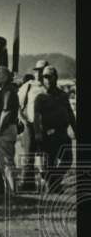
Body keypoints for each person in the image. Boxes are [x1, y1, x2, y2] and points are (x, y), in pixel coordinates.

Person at [33, 65, 77, 193]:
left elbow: (70, 113)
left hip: (62, 133)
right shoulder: (40, 97)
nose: (46, 79)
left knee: (67, 159)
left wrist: (76, 129)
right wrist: (37, 133)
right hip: (48, 134)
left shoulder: (63, 95)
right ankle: (54, 186)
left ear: (55, 77)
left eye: (48, 76)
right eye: (44, 77)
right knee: (50, 163)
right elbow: (36, 117)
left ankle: (53, 182)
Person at [17, 60, 48, 190]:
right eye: (38, 71)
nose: (39, 74)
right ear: (34, 72)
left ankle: (48, 183)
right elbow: (18, 104)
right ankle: (27, 184)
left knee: (46, 157)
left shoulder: (49, 87)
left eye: (43, 71)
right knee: (29, 156)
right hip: (29, 125)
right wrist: (23, 120)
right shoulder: (28, 86)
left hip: (46, 127)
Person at [0, 66, 20, 193]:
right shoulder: (6, 90)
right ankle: (11, 190)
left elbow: (6, 111)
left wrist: (0, 129)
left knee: (6, 162)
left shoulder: (8, 91)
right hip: (6, 129)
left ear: (5, 76)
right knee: (5, 162)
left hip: (5, 130)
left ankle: (12, 191)